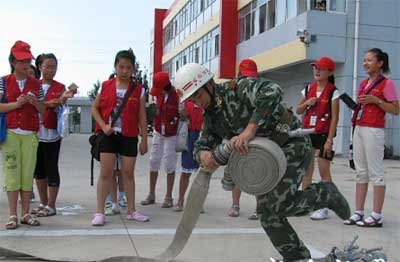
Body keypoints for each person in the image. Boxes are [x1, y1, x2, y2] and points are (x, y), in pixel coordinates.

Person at [174, 63, 350, 261]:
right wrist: (204, 155)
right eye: (192, 100)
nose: (197, 103)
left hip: (291, 143)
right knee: (267, 214)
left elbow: (272, 90)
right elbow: (201, 146)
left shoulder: (237, 89)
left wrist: (250, 128)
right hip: (267, 158)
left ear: (209, 84)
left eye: (198, 96)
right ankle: (297, 257)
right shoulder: (211, 117)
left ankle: (325, 194)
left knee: (279, 205)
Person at [91, 49, 149, 226]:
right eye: (121, 67)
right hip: (108, 135)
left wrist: (144, 139)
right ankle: (100, 212)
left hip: (129, 136)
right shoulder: (106, 86)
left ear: (133, 69)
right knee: (106, 173)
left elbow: (142, 116)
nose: (125, 71)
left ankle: (132, 211)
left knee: (128, 173)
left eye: (129, 67)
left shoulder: (138, 90)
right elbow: (95, 109)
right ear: (115, 66)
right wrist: (103, 126)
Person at [344, 48, 399, 227]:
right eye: (364, 60)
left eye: (369, 60)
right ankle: (358, 212)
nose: (365, 63)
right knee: (360, 172)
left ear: (380, 63)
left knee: (376, 172)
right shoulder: (363, 83)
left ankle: (376, 215)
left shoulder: (387, 84)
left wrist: (377, 101)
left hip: (374, 130)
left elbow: (396, 109)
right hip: (359, 127)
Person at [0, 40, 46, 229]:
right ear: (13, 62)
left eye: (28, 61)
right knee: (12, 172)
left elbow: (44, 109)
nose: (26, 65)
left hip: (30, 133)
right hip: (10, 132)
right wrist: (16, 104)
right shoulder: (3, 81)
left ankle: (26, 212)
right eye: (22, 61)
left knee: (27, 173)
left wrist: (35, 102)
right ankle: (13, 214)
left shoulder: (37, 84)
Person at [30, 53, 76, 217]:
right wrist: (54, 101)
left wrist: (62, 98)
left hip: (51, 133)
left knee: (51, 167)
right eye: (48, 66)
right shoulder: (34, 85)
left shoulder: (60, 87)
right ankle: (43, 203)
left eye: (54, 66)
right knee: (38, 170)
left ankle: (51, 204)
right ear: (40, 67)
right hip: (34, 132)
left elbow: (59, 103)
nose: (51, 70)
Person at [296, 57, 340, 220]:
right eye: (315, 68)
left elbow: (335, 118)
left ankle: (324, 207)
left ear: (329, 72)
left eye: (321, 68)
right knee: (307, 170)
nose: (317, 71)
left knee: (324, 171)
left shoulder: (333, 92)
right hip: (308, 133)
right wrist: (307, 102)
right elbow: (298, 110)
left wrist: (329, 140)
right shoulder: (308, 89)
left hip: (323, 135)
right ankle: (306, 204)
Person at [141, 71, 179, 208]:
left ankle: (169, 196)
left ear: (165, 86)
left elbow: (182, 113)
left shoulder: (177, 95)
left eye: (159, 89)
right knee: (153, 160)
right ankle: (151, 194)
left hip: (172, 134)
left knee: (169, 163)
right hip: (159, 130)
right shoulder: (158, 95)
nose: (157, 93)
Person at [228, 59, 259, 220]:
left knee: (258, 171)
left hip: (257, 135)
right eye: (245, 77)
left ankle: (259, 208)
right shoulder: (233, 90)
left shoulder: (260, 91)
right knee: (237, 172)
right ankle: (235, 204)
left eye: (251, 77)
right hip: (238, 134)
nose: (248, 81)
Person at [173, 99, 203, 212]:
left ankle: (198, 202)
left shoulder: (207, 101)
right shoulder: (186, 101)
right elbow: (180, 117)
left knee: (203, 172)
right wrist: (182, 115)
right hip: (190, 136)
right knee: (185, 171)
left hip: (203, 136)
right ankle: (180, 200)